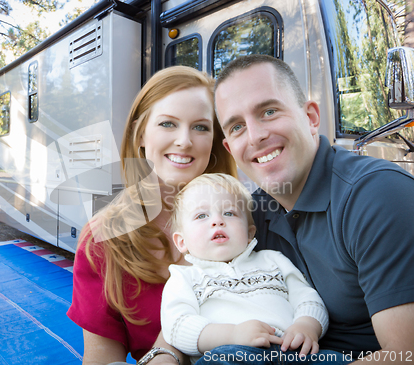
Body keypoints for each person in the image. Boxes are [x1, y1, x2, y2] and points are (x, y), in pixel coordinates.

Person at [214, 54, 414, 362]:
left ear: (310, 117)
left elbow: (404, 355)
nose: (255, 136)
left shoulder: (377, 194)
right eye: (237, 127)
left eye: (268, 111)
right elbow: (195, 286)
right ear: (230, 148)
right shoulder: (251, 216)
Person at [67, 66, 238, 365]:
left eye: (200, 127)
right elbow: (101, 357)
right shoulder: (102, 240)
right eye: (168, 124)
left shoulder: (242, 219)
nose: (185, 140)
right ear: (140, 134)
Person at [162, 173, 350, 365]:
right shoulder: (184, 277)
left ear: (250, 233)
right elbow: (177, 325)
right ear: (181, 241)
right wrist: (232, 334)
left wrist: (307, 325)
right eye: (202, 215)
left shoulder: (273, 259)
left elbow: (307, 298)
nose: (217, 221)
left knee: (338, 360)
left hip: (292, 349)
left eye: (229, 213)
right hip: (231, 353)